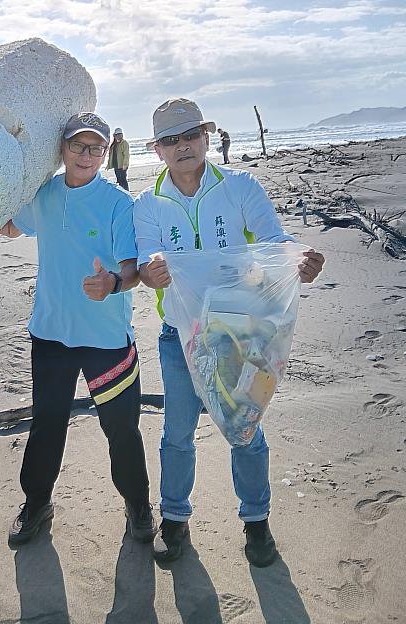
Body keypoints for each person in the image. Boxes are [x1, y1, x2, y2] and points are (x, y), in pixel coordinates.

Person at [133, 98, 324, 567]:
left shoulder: (240, 187)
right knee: (177, 434)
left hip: (243, 332)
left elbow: (274, 240)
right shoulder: (148, 204)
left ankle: (257, 523)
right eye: (171, 140)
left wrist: (299, 258)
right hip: (179, 338)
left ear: (205, 138)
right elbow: (146, 257)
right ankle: (174, 520)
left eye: (190, 136)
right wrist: (151, 271)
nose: (182, 146)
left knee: (246, 430)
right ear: (157, 150)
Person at [0, 112, 156, 547]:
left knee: (121, 430)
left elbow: (133, 269)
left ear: (105, 153)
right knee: (47, 424)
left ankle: (138, 506)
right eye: (77, 146)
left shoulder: (118, 203)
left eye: (95, 148)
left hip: (106, 339)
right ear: (62, 149)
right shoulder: (44, 194)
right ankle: (37, 504)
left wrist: (112, 283)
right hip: (50, 333)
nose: (86, 155)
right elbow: (10, 226)